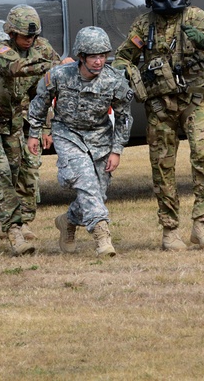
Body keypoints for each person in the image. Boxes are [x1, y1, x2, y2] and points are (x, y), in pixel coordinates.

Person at [112, 0, 204, 251]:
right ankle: (170, 230)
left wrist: (202, 41)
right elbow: (123, 58)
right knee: (162, 167)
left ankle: (202, 224)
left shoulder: (196, 17)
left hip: (194, 102)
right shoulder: (144, 24)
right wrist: (133, 75)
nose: (168, 2)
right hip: (160, 106)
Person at [27, 26, 134, 257]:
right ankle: (102, 236)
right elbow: (39, 104)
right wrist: (34, 133)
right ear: (81, 57)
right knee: (85, 181)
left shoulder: (114, 80)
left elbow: (124, 117)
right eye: (94, 56)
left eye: (103, 56)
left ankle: (68, 221)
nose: (99, 61)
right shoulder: (59, 75)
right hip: (68, 134)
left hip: (100, 137)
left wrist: (117, 150)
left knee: (98, 192)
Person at [0, 17, 57, 255]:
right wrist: (54, 66)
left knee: (12, 177)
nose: (29, 40)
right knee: (0, 173)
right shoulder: (0, 49)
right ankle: (14, 233)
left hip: (11, 124)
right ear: (11, 34)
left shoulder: (42, 48)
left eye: (33, 36)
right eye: (24, 36)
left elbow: (47, 87)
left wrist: (44, 127)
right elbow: (18, 68)